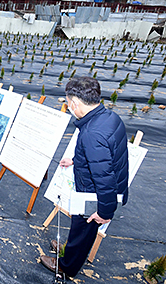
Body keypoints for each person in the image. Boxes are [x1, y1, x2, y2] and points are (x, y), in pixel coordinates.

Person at [40, 77, 129, 278]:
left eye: (68, 101)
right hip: (102, 188)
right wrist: (76, 160)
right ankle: (70, 247)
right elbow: (104, 157)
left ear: (75, 103)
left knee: (84, 228)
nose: (68, 105)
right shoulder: (108, 117)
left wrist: (105, 212)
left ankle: (66, 266)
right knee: (79, 230)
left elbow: (104, 178)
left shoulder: (92, 133)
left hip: (95, 197)